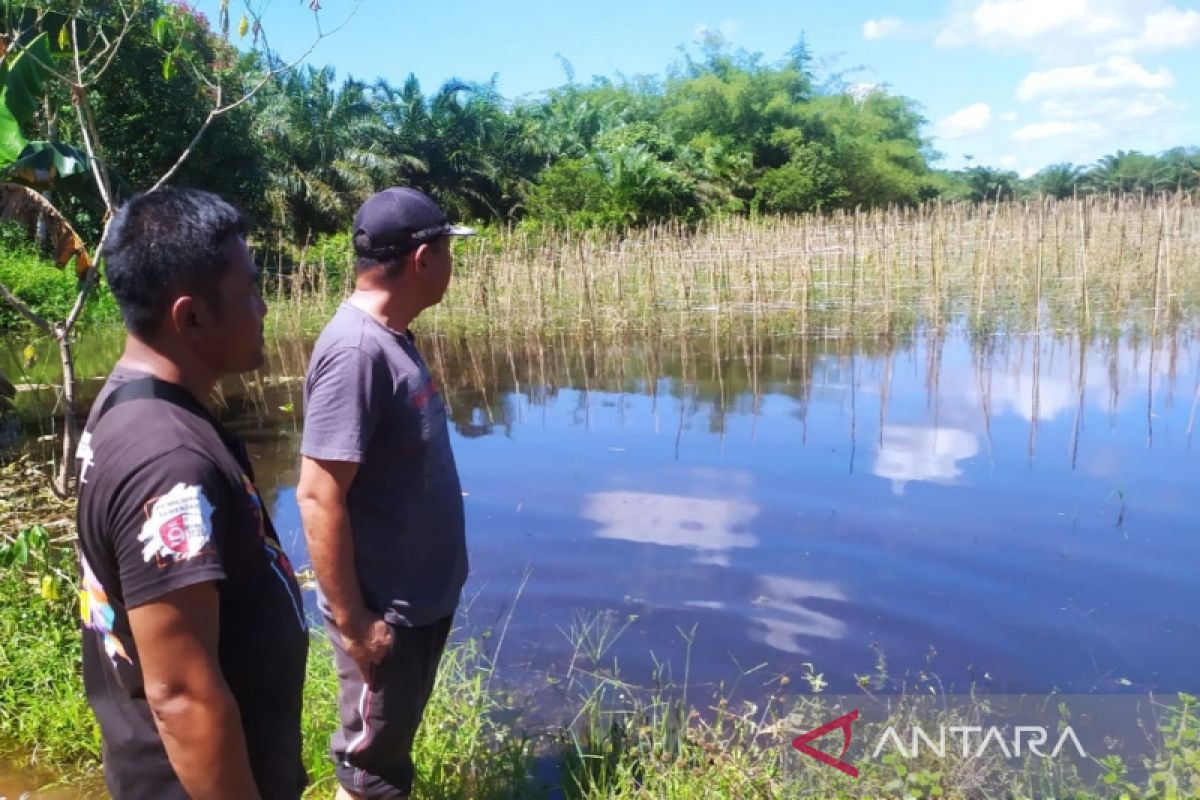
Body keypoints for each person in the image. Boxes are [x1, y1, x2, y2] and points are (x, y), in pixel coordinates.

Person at [76, 188, 309, 800]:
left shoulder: (130, 404)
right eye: (250, 291)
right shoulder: (168, 460)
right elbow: (181, 697)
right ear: (191, 317)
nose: (263, 308)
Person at [296, 187, 474, 799]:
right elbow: (318, 496)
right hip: (386, 617)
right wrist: (354, 623)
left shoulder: (391, 337)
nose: (453, 264)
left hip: (416, 603)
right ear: (423, 260)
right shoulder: (355, 352)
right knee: (371, 771)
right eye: (449, 250)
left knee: (387, 758)